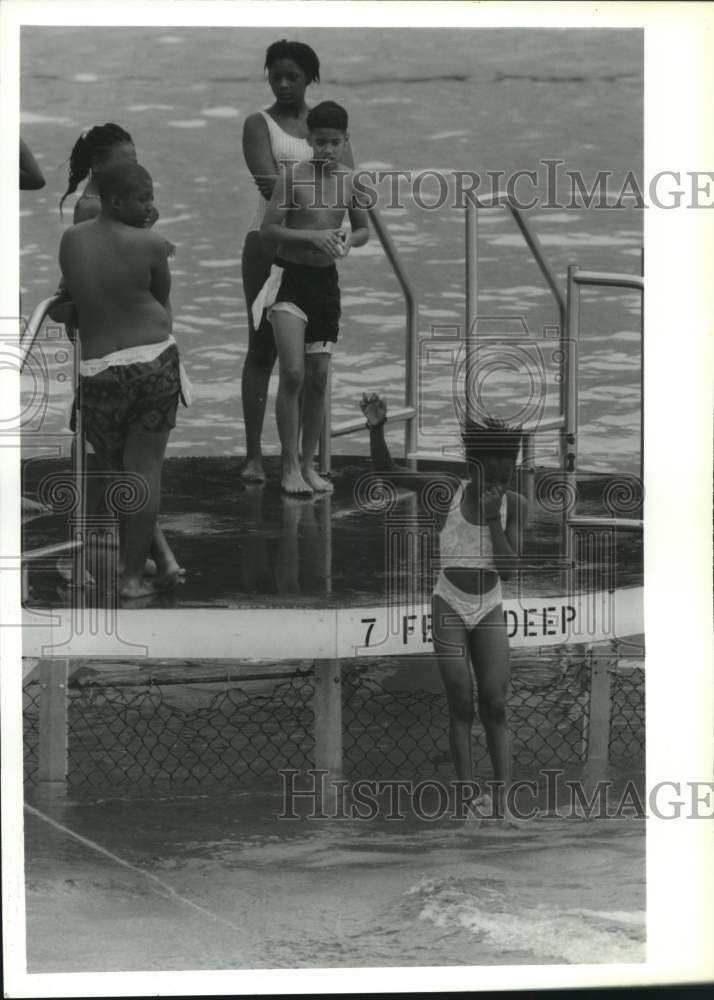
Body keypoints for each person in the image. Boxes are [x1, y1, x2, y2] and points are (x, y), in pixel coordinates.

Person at [360, 393, 527, 823]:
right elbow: (385, 471)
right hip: (449, 603)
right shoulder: (447, 492)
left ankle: (504, 801)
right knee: (461, 703)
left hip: (488, 604)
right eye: (495, 471)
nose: (502, 479)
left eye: (509, 470)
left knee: (495, 704)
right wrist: (376, 428)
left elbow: (508, 571)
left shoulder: (515, 505)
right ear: (475, 465)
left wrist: (493, 518)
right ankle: (469, 798)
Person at [51, 124, 179, 588]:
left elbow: (73, 295)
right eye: (143, 198)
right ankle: (130, 575)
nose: (150, 206)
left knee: (114, 468)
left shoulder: (73, 238)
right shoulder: (151, 243)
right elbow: (159, 295)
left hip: (99, 368)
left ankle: (144, 560)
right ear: (118, 199)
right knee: (143, 472)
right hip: (153, 361)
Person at [240, 39, 354, 484]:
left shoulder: (330, 126)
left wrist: (344, 233)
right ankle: (254, 455)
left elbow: (350, 184)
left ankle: (304, 463)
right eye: (276, 75)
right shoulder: (260, 123)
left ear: (311, 79)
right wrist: (315, 214)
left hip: (319, 249)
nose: (284, 84)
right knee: (261, 349)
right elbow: (270, 184)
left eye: (293, 76)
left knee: (310, 365)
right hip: (268, 242)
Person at [258, 100, 369, 495]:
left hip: (325, 283)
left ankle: (307, 465)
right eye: (319, 142)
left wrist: (347, 240)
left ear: (345, 141)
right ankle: (287, 466)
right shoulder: (293, 178)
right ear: (308, 139)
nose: (326, 150)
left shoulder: (351, 181)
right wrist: (310, 236)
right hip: (290, 279)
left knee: (319, 379)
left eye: (334, 143)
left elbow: (362, 230)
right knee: (292, 373)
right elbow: (268, 230)